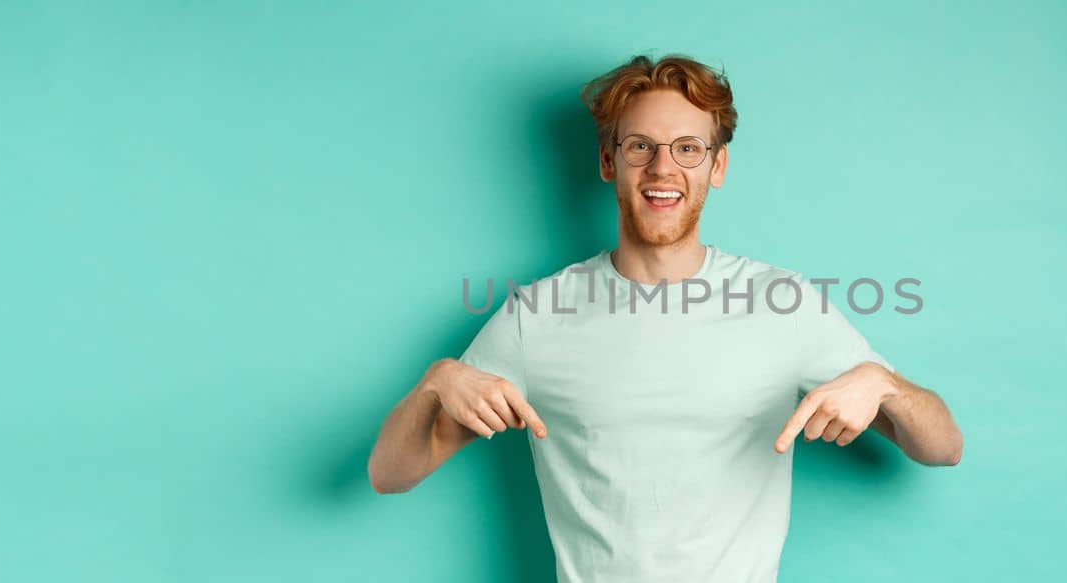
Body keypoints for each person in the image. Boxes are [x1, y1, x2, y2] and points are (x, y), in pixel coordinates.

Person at [367, 53, 962, 583]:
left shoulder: (786, 304)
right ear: (608, 161)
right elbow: (390, 474)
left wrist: (884, 385)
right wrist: (436, 382)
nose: (662, 168)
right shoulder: (536, 315)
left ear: (717, 166)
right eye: (639, 146)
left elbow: (943, 446)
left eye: (687, 148)